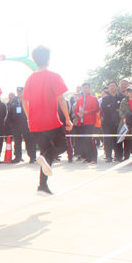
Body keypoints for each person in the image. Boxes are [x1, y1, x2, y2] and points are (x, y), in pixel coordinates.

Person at [22, 46, 72, 196]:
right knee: (61, 147)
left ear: (35, 60)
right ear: (48, 60)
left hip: (35, 124)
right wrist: (68, 118)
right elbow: (61, 99)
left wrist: (29, 118)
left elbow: (24, 101)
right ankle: (43, 178)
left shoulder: (30, 79)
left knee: (46, 154)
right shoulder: (53, 76)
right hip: (51, 122)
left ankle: (42, 186)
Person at [6, 87, 35, 163]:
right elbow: (9, 113)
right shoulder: (14, 101)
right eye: (18, 92)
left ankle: (32, 157)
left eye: (21, 92)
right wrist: (10, 124)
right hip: (16, 125)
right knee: (17, 141)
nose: (19, 93)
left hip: (26, 124)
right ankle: (18, 157)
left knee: (29, 141)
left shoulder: (29, 100)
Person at [74, 83, 99, 163]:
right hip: (81, 122)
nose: (85, 89)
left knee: (90, 139)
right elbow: (76, 110)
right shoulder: (80, 100)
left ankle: (94, 157)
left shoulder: (93, 98)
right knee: (83, 140)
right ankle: (87, 157)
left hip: (90, 122)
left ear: (89, 89)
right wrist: (78, 114)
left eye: (86, 88)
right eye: (83, 88)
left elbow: (96, 108)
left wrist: (86, 112)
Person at [100, 81, 124, 162]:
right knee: (107, 140)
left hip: (119, 121)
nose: (112, 87)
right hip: (107, 122)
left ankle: (119, 156)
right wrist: (115, 109)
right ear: (108, 88)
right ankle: (108, 156)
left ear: (117, 87)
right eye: (110, 86)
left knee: (118, 139)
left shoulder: (122, 97)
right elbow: (104, 109)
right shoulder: (105, 98)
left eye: (114, 86)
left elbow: (122, 108)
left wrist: (111, 107)